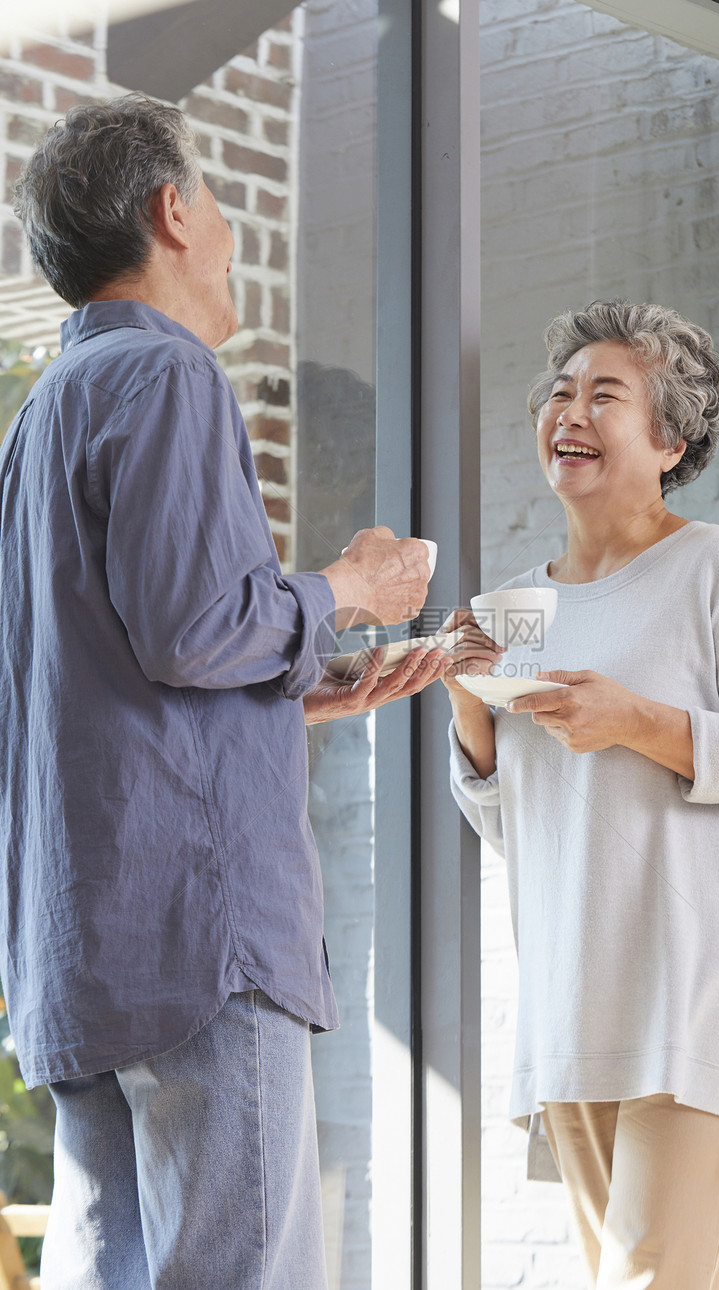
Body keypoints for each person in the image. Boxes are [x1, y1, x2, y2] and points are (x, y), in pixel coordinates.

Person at [0, 93, 446, 1289]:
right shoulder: (170, 378)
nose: (232, 232)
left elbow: (99, 676)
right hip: (200, 942)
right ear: (172, 211)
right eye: (216, 201)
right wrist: (351, 586)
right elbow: (198, 626)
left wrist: (298, 692)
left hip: (84, 949)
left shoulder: (41, 417)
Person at [443, 300, 719, 1289]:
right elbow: (525, 828)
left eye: (602, 394)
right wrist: (467, 706)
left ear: (668, 439)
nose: (567, 409)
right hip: (573, 1003)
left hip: (700, 993)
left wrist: (637, 721)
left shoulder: (716, 567)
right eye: (559, 391)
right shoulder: (511, 611)